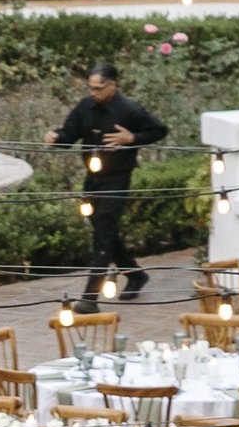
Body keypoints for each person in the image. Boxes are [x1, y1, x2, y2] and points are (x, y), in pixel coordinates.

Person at [49, 63, 169, 299]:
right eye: (91, 88)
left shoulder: (129, 110)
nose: (93, 93)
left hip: (117, 179)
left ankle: (89, 298)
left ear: (112, 85)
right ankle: (135, 274)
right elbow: (68, 135)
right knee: (104, 230)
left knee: (102, 235)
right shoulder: (86, 107)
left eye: (99, 88)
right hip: (92, 179)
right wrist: (55, 137)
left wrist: (132, 138)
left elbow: (160, 130)